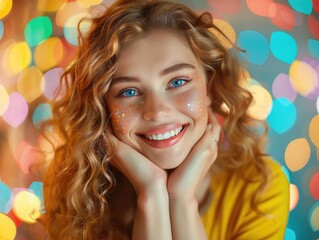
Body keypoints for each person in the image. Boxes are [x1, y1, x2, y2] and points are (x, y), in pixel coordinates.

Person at [41, 0, 290, 239]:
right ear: (103, 108)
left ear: (210, 88)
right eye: (129, 92)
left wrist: (181, 199)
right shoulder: (74, 190)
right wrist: (151, 194)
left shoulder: (260, 189)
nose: (157, 111)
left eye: (178, 82)